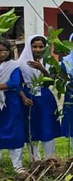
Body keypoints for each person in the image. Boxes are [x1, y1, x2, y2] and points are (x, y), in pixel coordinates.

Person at [18, 35, 61, 160]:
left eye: (41, 47)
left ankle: (50, 159)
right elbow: (17, 83)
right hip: (28, 96)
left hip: (45, 96)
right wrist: (23, 97)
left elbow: (51, 82)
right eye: (34, 46)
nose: (37, 50)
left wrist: (43, 70)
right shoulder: (21, 63)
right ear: (29, 47)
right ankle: (34, 159)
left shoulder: (49, 62)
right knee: (31, 126)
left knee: (46, 125)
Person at [0, 40, 26, 170]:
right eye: (0, 51)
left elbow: (14, 83)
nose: (2, 53)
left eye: (5, 50)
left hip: (10, 101)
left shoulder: (13, 65)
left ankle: (17, 165)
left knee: (14, 130)